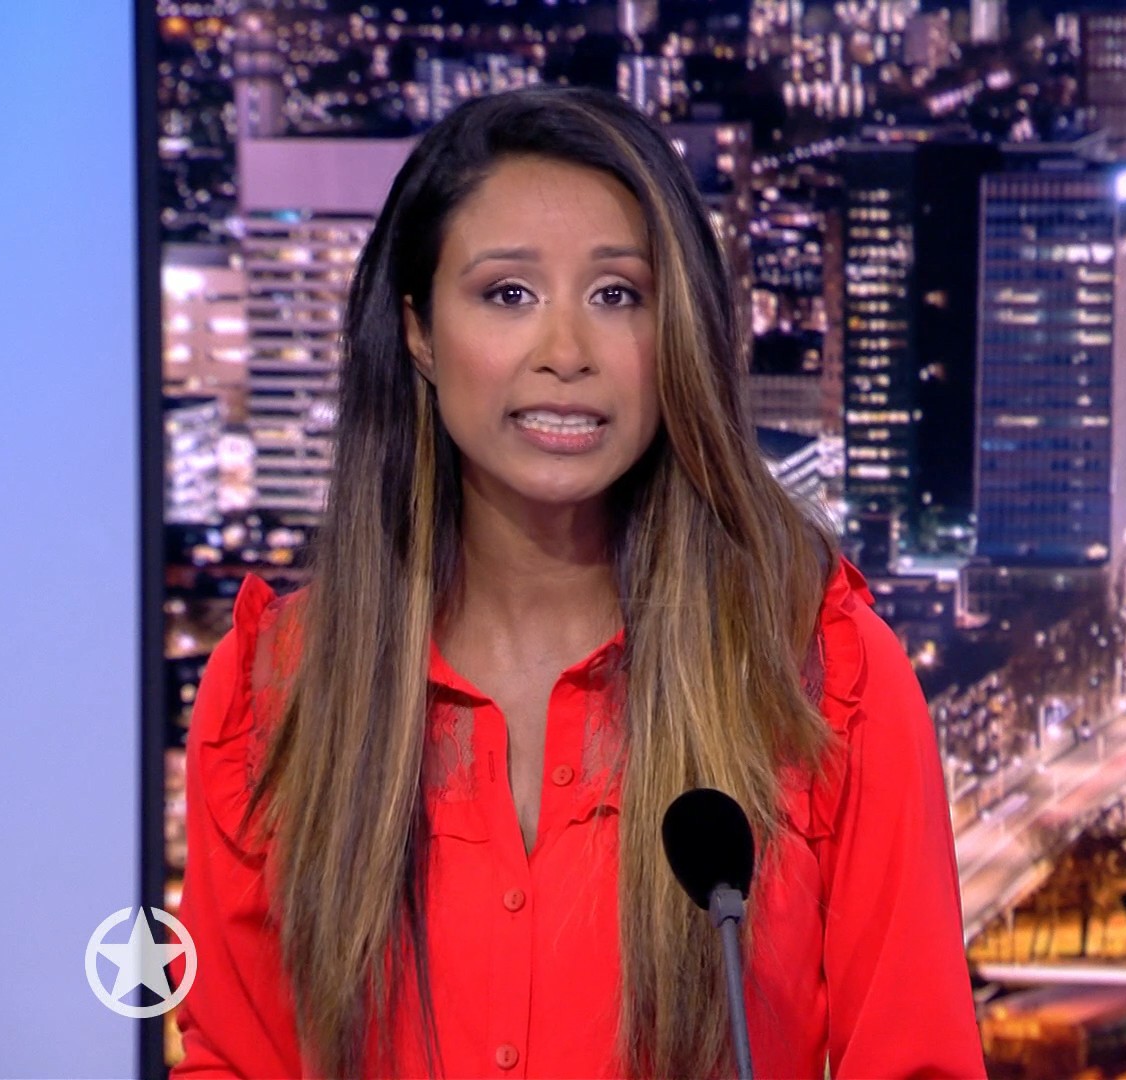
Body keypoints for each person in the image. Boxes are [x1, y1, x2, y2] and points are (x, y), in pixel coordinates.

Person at [168, 86, 985, 1079]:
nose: (566, 354)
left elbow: (915, 1059)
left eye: (617, 296)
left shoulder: (824, 679)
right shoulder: (275, 693)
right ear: (419, 330)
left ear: (677, 331)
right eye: (509, 294)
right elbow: (235, 1058)